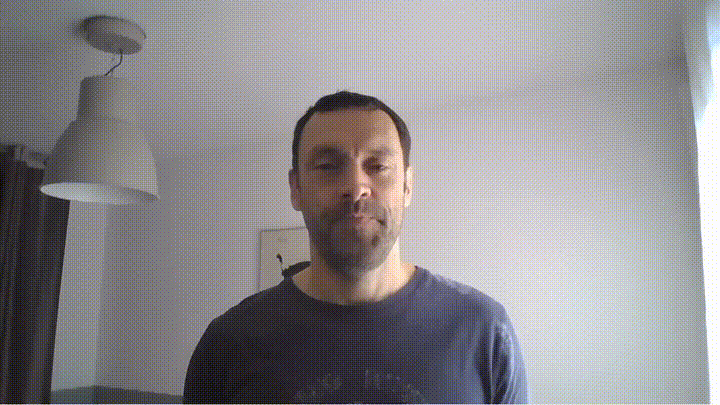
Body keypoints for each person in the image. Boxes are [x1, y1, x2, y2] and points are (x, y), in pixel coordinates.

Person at [183, 91, 528, 403]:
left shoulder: (484, 331)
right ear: (295, 189)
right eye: (328, 166)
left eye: (378, 166)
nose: (356, 185)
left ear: (407, 186)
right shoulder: (228, 344)